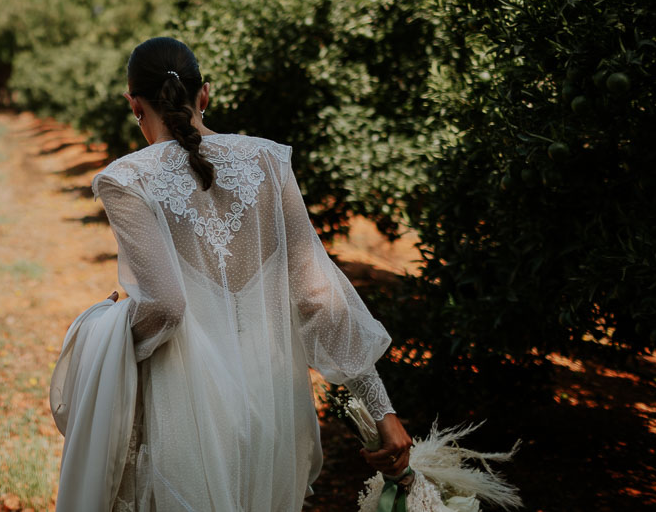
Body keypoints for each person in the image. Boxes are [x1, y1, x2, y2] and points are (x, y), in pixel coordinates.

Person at [76, 36, 410, 511]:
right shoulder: (270, 162)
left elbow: (164, 307)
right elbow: (317, 295)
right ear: (204, 95)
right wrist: (383, 412)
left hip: (185, 421)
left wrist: (105, 329)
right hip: (272, 411)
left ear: (134, 104)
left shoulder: (126, 179)